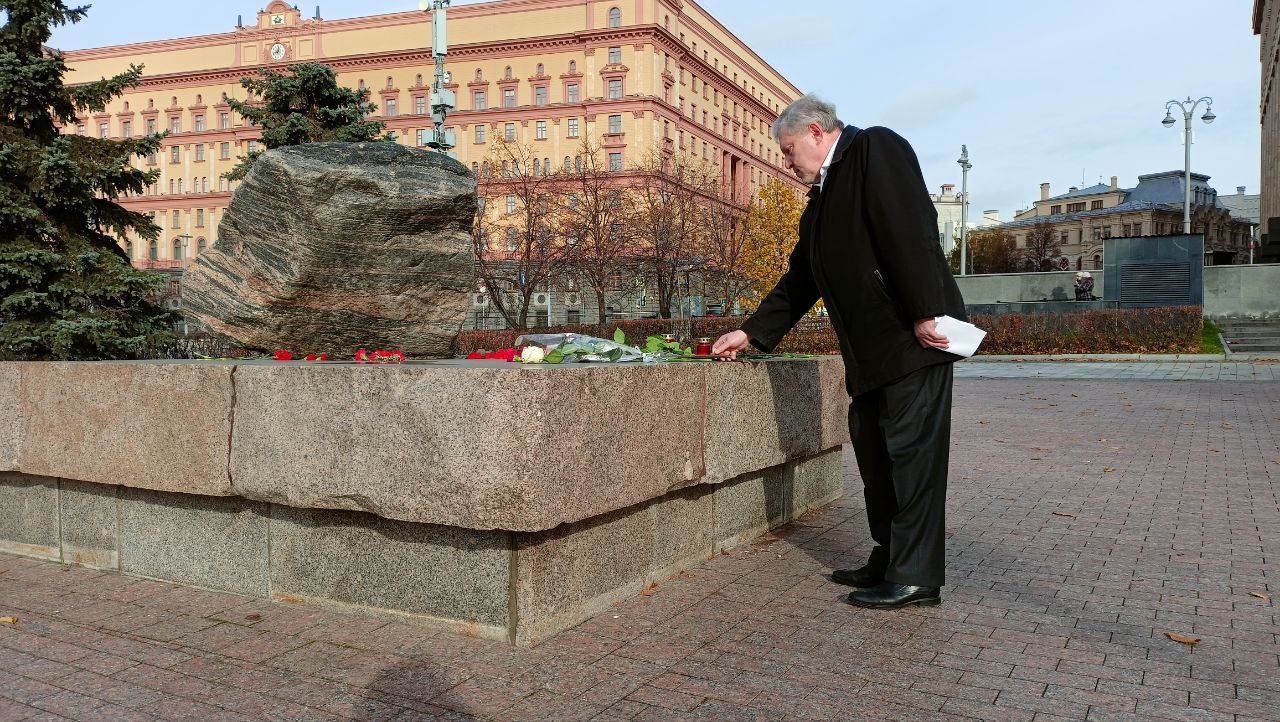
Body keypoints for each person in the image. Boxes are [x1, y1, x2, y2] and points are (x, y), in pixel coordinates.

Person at [712, 95, 967, 610]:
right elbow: (802, 277)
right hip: (871, 355)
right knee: (875, 455)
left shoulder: (874, 148)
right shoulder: (821, 196)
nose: (786, 162)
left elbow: (911, 227)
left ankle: (917, 576)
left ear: (814, 131)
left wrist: (923, 308)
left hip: (912, 341)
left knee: (912, 460)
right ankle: (890, 555)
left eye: (787, 151)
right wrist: (754, 334)